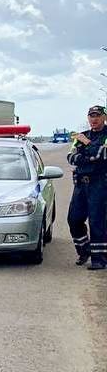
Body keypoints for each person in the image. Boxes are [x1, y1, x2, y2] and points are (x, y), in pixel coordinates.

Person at [67, 104, 107, 269]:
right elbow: (71, 157)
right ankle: (84, 251)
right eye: (91, 116)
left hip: (100, 183)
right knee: (74, 220)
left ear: (104, 117)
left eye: (97, 115)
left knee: (97, 222)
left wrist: (87, 145)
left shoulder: (104, 136)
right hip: (81, 183)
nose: (94, 119)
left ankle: (99, 260)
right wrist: (89, 157)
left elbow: (102, 155)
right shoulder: (81, 135)